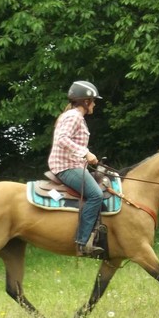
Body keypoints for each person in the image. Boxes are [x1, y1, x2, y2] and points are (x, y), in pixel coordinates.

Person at [48, 80, 105, 257]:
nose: (94, 104)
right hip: (66, 167)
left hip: (73, 164)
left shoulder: (74, 116)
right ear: (86, 102)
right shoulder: (74, 116)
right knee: (96, 195)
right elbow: (62, 139)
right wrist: (86, 153)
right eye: (93, 101)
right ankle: (82, 242)